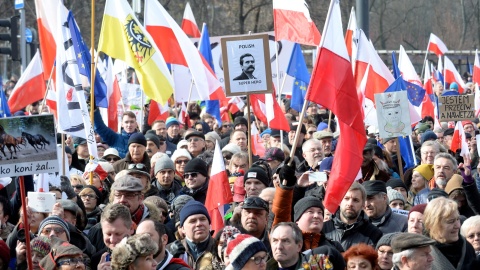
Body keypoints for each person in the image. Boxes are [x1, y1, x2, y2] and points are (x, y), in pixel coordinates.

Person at [323, 182, 383, 250]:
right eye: (346, 198)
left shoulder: (373, 234)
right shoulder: (323, 229)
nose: (350, 204)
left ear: (363, 205)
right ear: (339, 201)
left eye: (355, 200)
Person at [423, 197, 476, 269]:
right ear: (432, 224)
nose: (458, 225)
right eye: (451, 221)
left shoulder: (466, 247)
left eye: (458, 219)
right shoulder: (422, 251)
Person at [167, 200, 221, 269]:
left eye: (202, 219)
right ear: (182, 228)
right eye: (193, 221)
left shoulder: (220, 248)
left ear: (209, 224)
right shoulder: (168, 251)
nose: (199, 224)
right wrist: (169, 259)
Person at [267, 222, 345, 270]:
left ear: (299, 246)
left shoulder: (316, 262)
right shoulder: (262, 267)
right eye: (275, 241)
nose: (279, 246)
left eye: (286, 241)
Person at [93, 204, 134, 269]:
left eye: (118, 234)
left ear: (131, 228)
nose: (112, 240)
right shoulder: (96, 260)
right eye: (108, 234)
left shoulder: (143, 257)